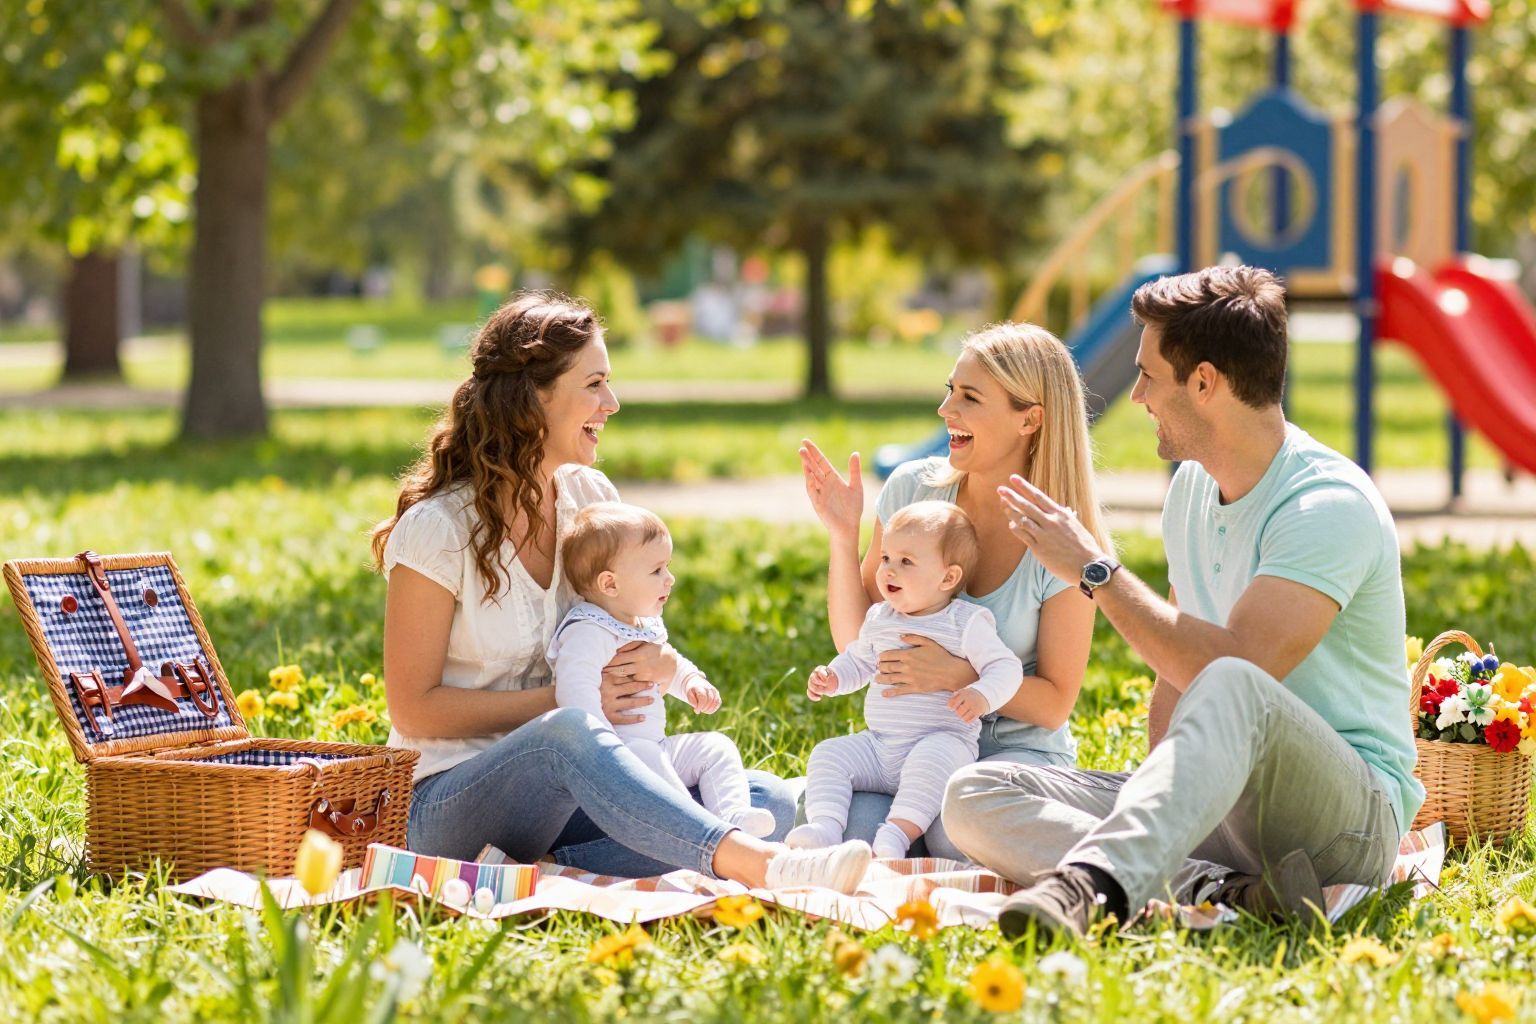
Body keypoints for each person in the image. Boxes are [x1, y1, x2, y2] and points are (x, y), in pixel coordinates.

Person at [943, 266, 1424, 941]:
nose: (1135, 395)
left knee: (1231, 679)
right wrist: (1163, 795)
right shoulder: (1192, 491)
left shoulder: (1326, 505)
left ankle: (1092, 888)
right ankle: (1222, 892)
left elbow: (1241, 669)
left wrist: (1095, 571)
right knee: (972, 796)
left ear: (1204, 382)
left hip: (1346, 822)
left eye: (1147, 375)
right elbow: (1174, 671)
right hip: (1227, 813)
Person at [374, 290, 871, 893]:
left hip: (569, 792)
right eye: (595, 384)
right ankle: (760, 867)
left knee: (766, 797)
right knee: (570, 733)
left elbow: (629, 631)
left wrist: (660, 663)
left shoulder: (591, 501)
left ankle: (540, 874)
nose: (612, 403)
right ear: (534, 399)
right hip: (446, 801)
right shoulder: (439, 529)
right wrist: (559, 702)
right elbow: (413, 708)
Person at [799, 321, 1110, 860]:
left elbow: (1056, 703)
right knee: (841, 826)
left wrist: (960, 675)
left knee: (955, 826)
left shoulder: (1063, 539)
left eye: (969, 397)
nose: (947, 410)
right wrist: (842, 535)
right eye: (950, 391)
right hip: (905, 750)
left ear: (1029, 420)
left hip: (1011, 759)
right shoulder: (912, 489)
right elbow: (859, 638)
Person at [788, 501, 1024, 860]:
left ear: (947, 578)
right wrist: (834, 677)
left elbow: (1006, 668)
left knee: (933, 759)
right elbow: (860, 660)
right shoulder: (880, 616)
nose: (888, 571)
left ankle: (896, 835)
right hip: (881, 746)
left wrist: (981, 694)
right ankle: (825, 828)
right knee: (829, 753)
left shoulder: (965, 622)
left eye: (905, 562)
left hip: (941, 741)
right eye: (885, 558)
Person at [547, 501, 775, 837]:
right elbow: (574, 691)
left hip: (656, 746)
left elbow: (668, 661)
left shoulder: (640, 623)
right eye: (657, 571)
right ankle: (701, 835)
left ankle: (735, 816)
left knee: (715, 746)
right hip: (619, 757)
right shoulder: (587, 631)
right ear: (610, 585)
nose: (670, 579)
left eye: (667, 567)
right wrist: (603, 751)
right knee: (646, 758)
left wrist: (691, 681)